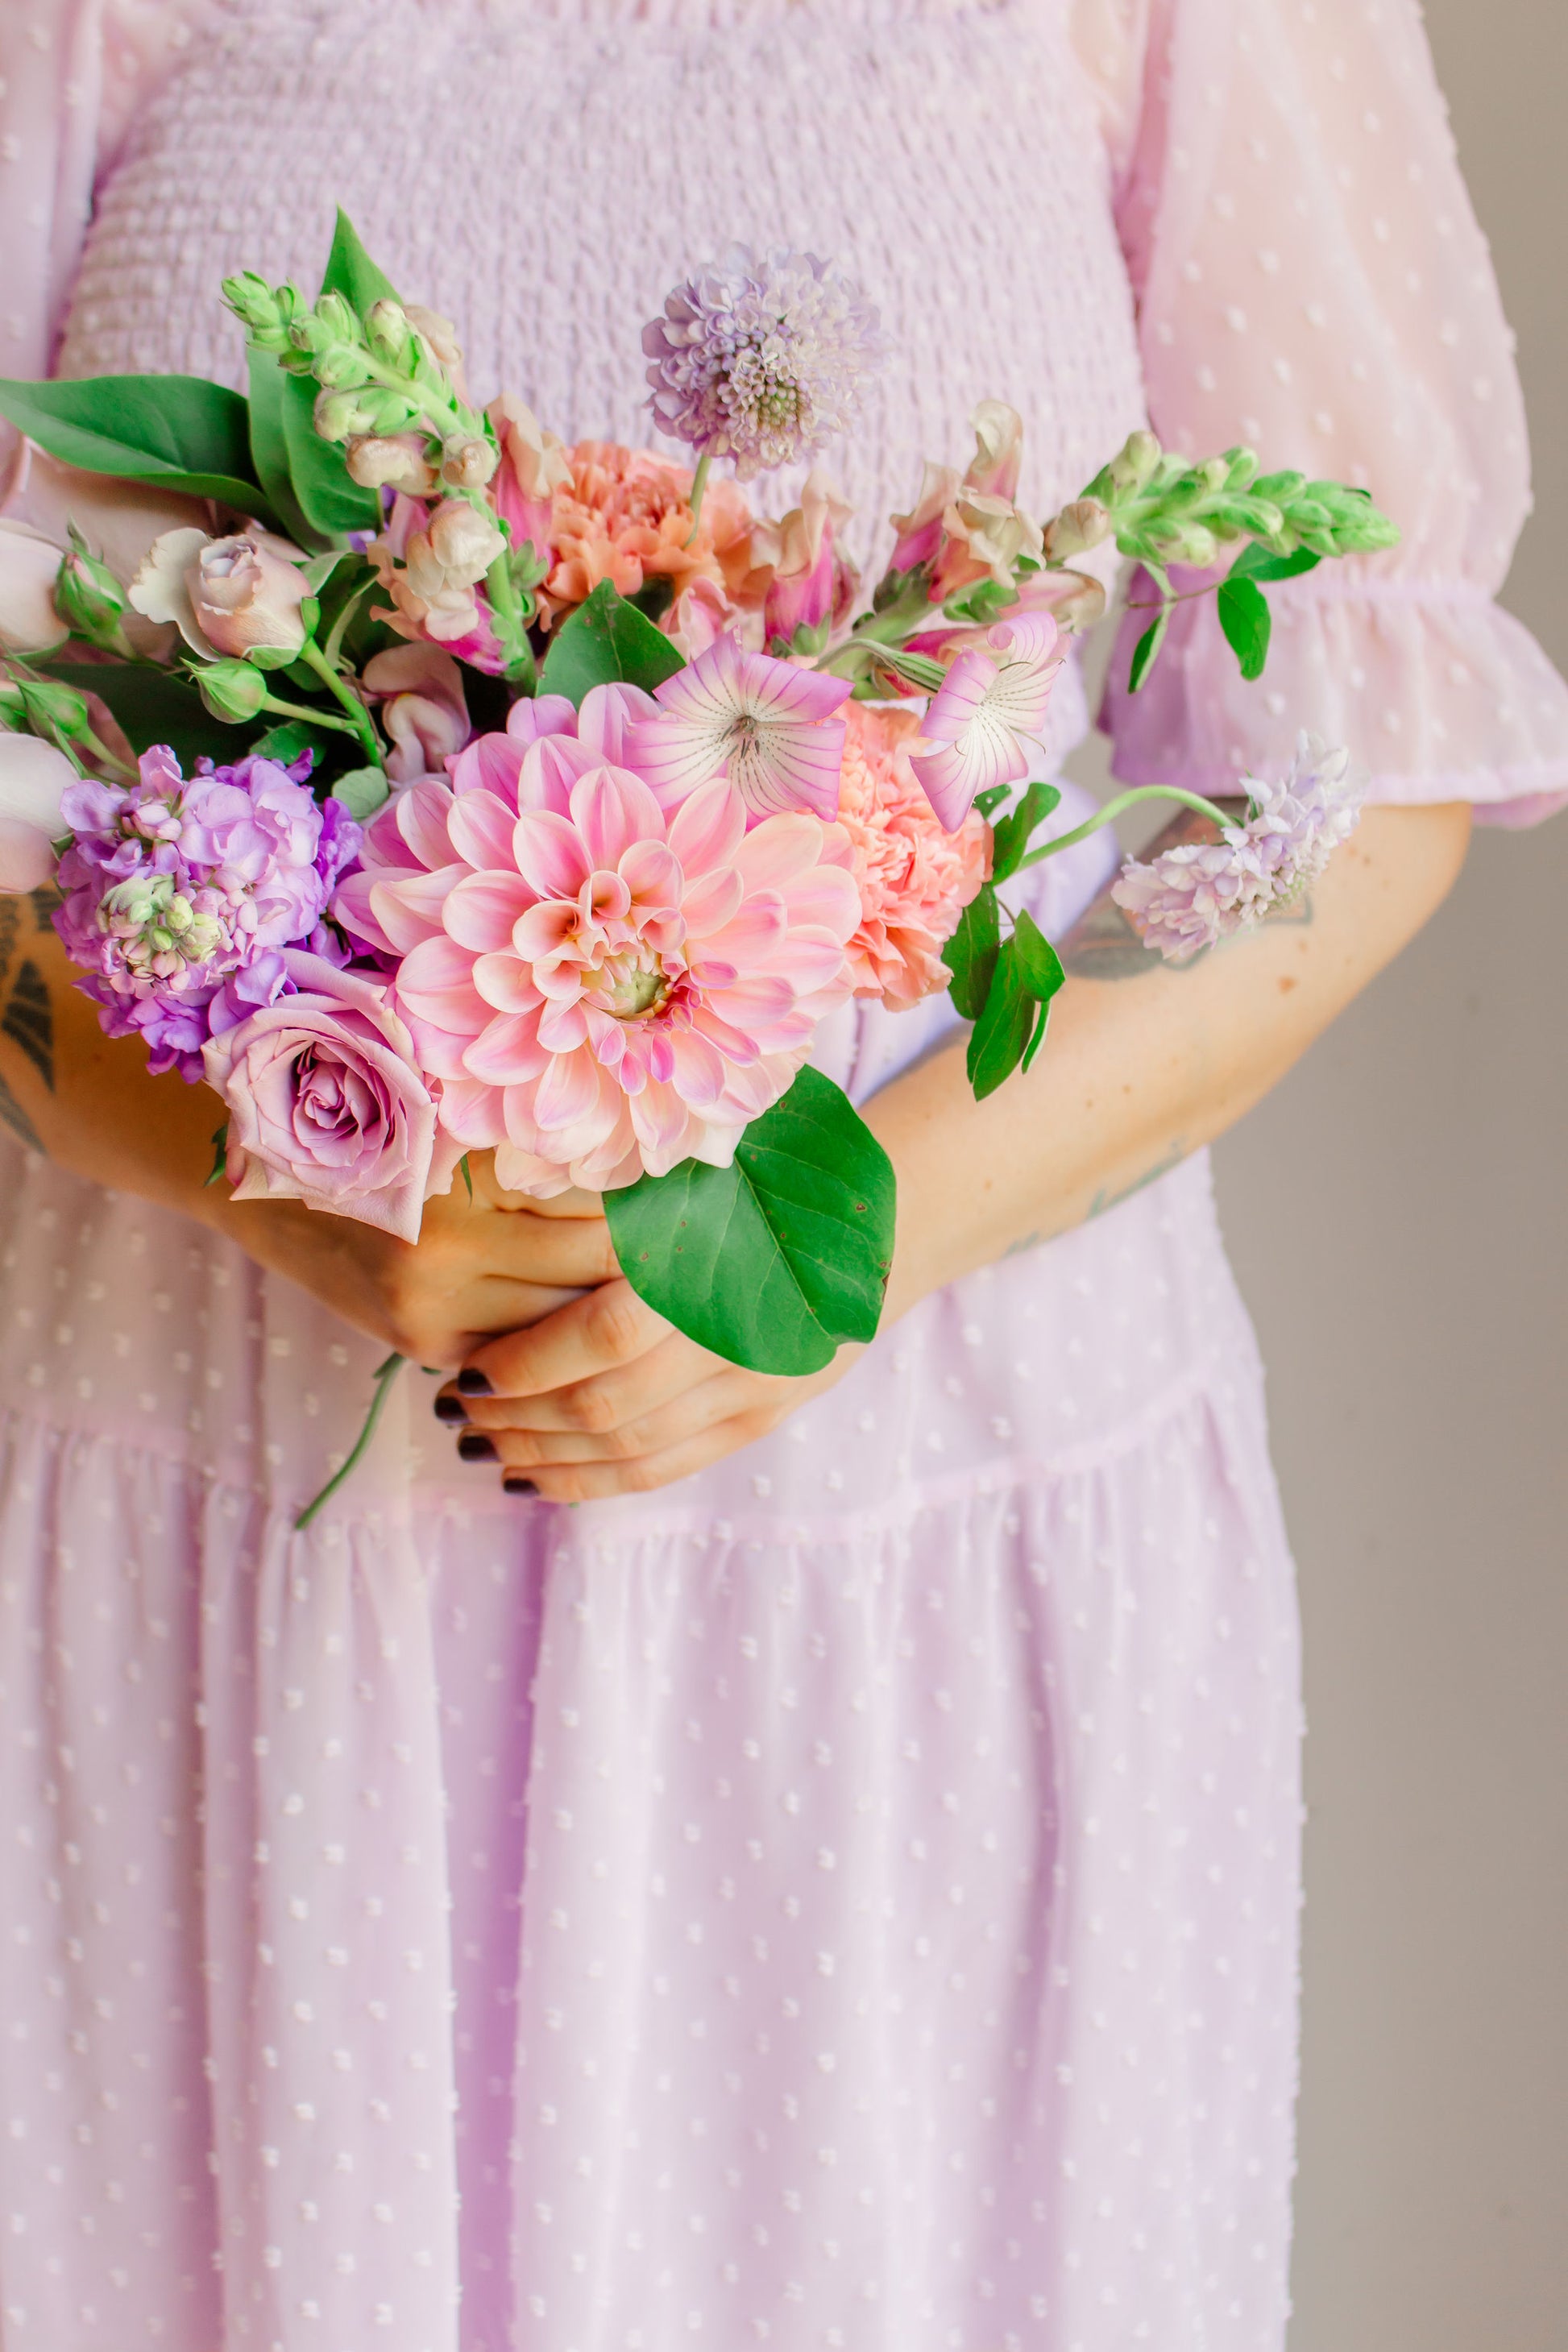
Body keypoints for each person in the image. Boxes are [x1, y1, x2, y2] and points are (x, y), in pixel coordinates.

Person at [0, 2, 1562, 2346]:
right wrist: (271, 1176)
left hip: (930, 1540)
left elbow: (1353, 783)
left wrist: (855, 1247)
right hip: (222, 1553)